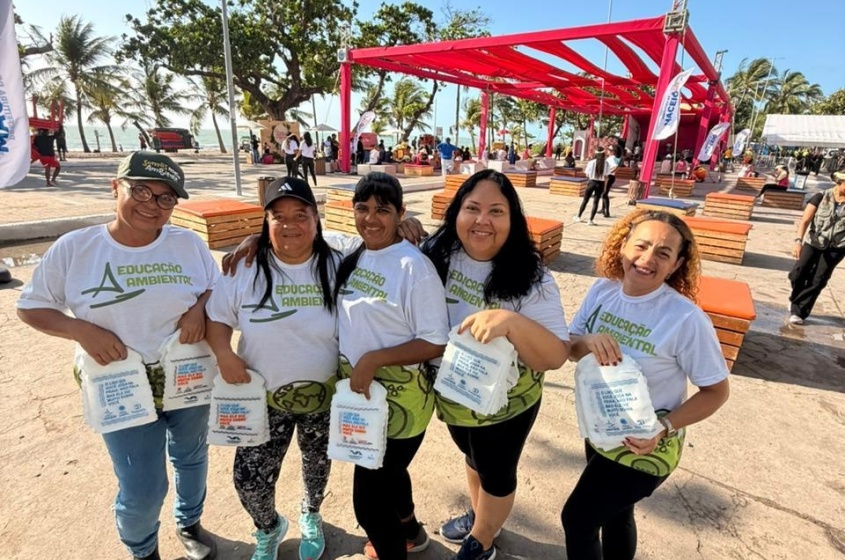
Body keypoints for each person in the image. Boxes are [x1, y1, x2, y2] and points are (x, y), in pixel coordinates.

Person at [16, 151, 219, 560]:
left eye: (165, 197)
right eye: (140, 191)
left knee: (191, 456)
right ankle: (143, 550)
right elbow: (31, 307)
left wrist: (200, 307)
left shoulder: (187, 243)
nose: (152, 205)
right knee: (142, 486)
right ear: (116, 187)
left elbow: (216, 287)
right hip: (118, 383)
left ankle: (189, 522)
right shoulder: (76, 248)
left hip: (188, 375)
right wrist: (79, 329)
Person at [561, 209, 730, 560]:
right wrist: (588, 341)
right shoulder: (602, 291)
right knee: (616, 514)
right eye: (641, 245)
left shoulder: (685, 319)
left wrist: (663, 427)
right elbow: (571, 350)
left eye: (663, 253)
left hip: (646, 444)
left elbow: (716, 391)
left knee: (577, 519)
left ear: (676, 264)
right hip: (602, 428)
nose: (647, 258)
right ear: (623, 245)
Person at [421, 170, 570, 560]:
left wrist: (511, 322)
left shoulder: (531, 275)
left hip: (507, 404)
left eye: (496, 211)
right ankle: (479, 517)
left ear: (512, 219)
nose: (482, 220)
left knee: (496, 472)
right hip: (455, 391)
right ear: (456, 212)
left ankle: (482, 541)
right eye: (472, 208)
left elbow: (556, 355)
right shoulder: (436, 251)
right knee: (472, 455)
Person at [206, 178, 338, 560]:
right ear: (266, 222)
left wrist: (406, 226)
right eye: (278, 216)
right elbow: (217, 317)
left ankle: (311, 513)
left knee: (316, 465)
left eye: (301, 215)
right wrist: (223, 353)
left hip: (322, 396)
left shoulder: (339, 263)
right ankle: (269, 527)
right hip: (262, 397)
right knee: (248, 479)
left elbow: (379, 242)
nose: (290, 224)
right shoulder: (245, 267)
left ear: (316, 219)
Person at [333, 173, 449, 560]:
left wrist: (374, 359)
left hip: (402, 406)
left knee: (368, 505)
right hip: (365, 399)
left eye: (383, 210)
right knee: (392, 476)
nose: (370, 218)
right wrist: (254, 240)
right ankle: (412, 532)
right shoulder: (354, 251)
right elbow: (302, 237)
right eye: (362, 208)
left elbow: (435, 340)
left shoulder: (415, 268)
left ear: (401, 213)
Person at [787, 171, 845, 325]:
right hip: (814, 242)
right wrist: (798, 241)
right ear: (839, 182)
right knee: (797, 273)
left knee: (818, 280)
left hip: (837, 247)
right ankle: (795, 298)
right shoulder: (821, 197)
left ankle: (799, 311)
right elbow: (805, 221)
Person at [574, 148, 610, 226]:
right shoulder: (606, 163)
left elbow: (587, 174)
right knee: (596, 202)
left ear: (596, 153)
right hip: (601, 184)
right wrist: (605, 187)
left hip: (592, 182)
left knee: (585, 200)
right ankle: (590, 220)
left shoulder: (591, 162)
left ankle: (578, 216)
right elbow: (606, 176)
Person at [600, 149, 621, 218]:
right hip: (610, 176)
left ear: (612, 152)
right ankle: (603, 209)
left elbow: (616, 167)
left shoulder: (612, 158)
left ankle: (607, 212)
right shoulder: (612, 158)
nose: (607, 151)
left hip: (609, 177)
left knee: (604, 194)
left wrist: (608, 172)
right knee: (604, 193)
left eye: (609, 150)